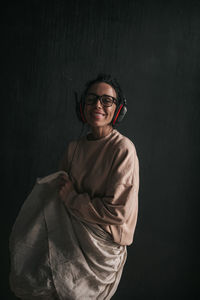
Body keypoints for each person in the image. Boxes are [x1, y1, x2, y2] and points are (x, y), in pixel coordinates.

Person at [57, 73, 139, 298]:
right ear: (82, 106)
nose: (98, 105)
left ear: (118, 109)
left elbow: (117, 212)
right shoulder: (73, 148)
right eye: (91, 99)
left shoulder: (123, 149)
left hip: (101, 253)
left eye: (107, 100)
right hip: (68, 244)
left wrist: (74, 199)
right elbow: (58, 195)